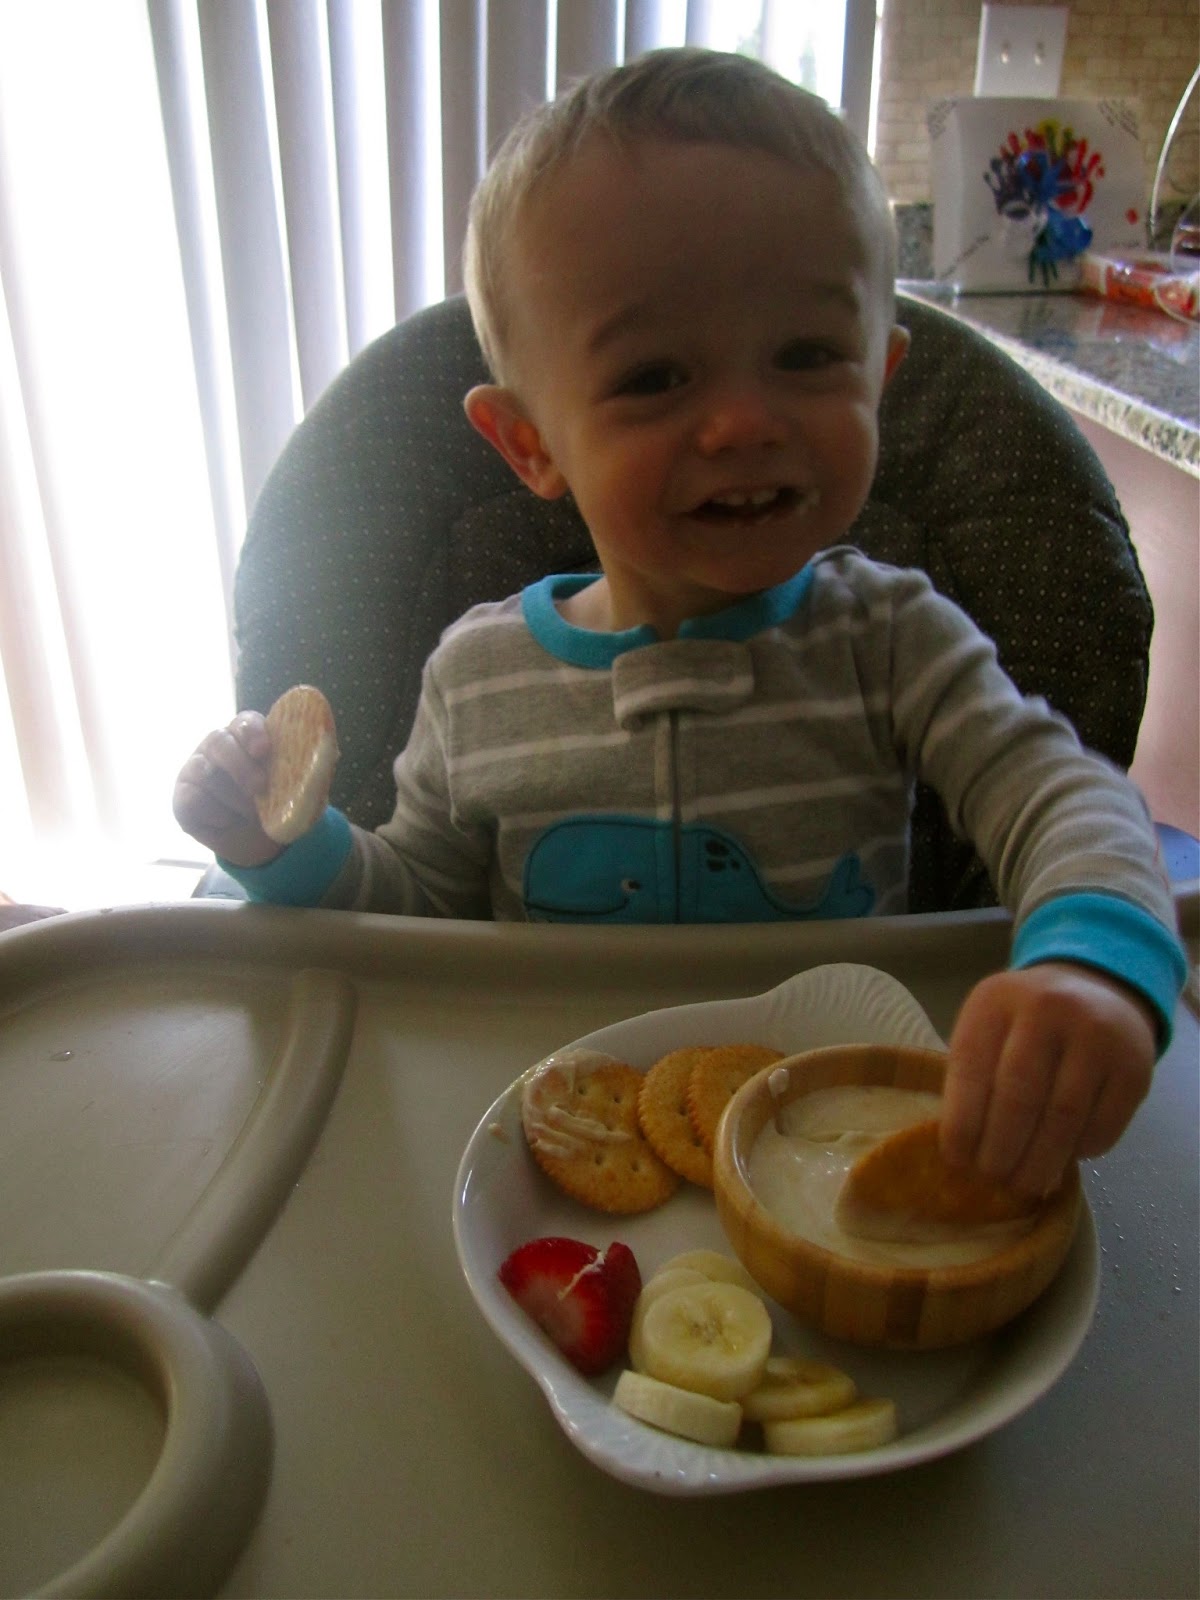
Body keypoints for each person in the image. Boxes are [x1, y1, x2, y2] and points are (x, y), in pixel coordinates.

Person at [173, 48, 1185, 1200]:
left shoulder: (896, 642)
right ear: (529, 444)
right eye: (656, 377)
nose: (747, 419)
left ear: (881, 381)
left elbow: (1068, 794)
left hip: (838, 1154)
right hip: (532, 1164)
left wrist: (1093, 959)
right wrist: (282, 850)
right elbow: (413, 916)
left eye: (808, 355)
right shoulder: (477, 678)